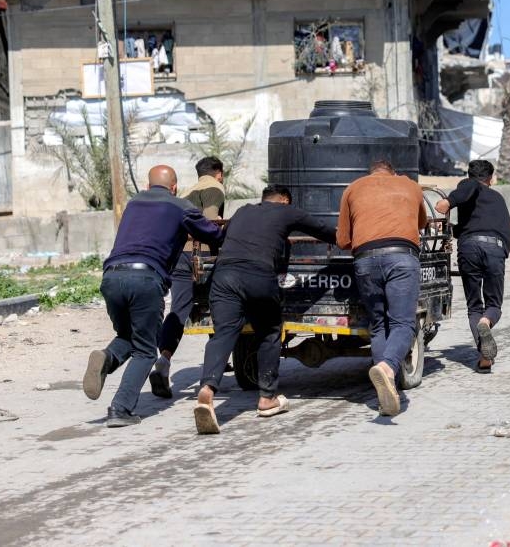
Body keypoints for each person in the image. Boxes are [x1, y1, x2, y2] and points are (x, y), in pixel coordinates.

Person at [82, 165, 224, 428]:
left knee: (129, 336)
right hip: (146, 279)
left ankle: (107, 358)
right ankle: (120, 409)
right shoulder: (179, 206)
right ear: (174, 187)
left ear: (147, 186)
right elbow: (212, 233)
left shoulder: (134, 203)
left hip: (111, 276)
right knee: (146, 351)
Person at [193, 185, 336, 435]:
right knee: (269, 330)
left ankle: (207, 389)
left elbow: (224, 237)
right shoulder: (286, 211)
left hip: (223, 276)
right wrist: (349, 239)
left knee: (224, 333)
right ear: (284, 200)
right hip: (257, 274)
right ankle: (267, 397)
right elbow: (322, 230)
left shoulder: (241, 211)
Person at [337, 159, 427, 416]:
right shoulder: (410, 185)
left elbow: (343, 239)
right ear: (394, 172)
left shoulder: (353, 188)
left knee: (377, 325)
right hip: (401, 256)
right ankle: (387, 368)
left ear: (370, 173)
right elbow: (420, 224)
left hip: (365, 260)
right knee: (403, 323)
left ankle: (385, 391)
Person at [149, 156, 226, 399]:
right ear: (219, 173)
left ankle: (164, 359)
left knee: (179, 309)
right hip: (200, 256)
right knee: (221, 303)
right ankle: (216, 366)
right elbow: (211, 219)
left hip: (179, 255)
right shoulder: (214, 187)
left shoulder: (186, 192)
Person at [435, 160, 510, 373]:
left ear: (469, 176)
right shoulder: (497, 198)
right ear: (492, 179)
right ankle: (486, 324)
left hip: (469, 248)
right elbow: (491, 229)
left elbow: (470, 187)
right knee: (494, 304)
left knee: (474, 306)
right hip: (495, 249)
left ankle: (484, 356)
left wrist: (448, 202)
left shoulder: (470, 186)